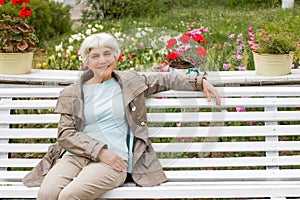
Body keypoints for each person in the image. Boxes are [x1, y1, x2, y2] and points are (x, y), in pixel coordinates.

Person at [22, 32, 221, 200]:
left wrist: (198, 81)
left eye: (107, 54)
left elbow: (165, 78)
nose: (102, 60)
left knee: (69, 196)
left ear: (116, 56)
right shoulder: (72, 92)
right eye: (95, 56)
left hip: (114, 160)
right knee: (47, 194)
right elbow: (65, 134)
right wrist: (99, 151)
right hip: (75, 157)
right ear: (86, 62)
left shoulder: (129, 82)